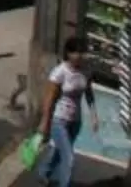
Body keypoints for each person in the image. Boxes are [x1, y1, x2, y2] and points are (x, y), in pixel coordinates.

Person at [36, 36, 92, 187]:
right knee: (69, 158)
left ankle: (43, 172)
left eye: (82, 52)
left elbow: (89, 93)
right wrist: (45, 122)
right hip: (59, 120)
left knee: (58, 151)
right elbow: (49, 99)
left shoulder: (86, 71)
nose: (79, 56)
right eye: (76, 52)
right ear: (68, 53)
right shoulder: (59, 72)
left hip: (76, 121)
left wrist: (94, 115)